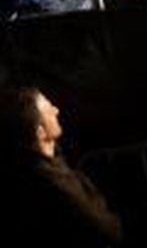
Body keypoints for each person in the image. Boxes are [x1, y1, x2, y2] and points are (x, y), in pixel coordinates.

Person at [0, 87, 122, 247]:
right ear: (40, 132)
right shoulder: (53, 182)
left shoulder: (40, 165)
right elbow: (109, 231)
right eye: (49, 109)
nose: (56, 110)